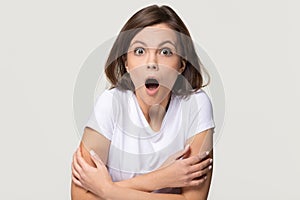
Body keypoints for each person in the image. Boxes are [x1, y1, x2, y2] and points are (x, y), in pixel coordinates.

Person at [71, 4, 215, 200]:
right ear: (126, 63)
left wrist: (107, 190)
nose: (151, 62)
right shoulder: (111, 103)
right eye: (139, 51)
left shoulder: (196, 105)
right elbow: (79, 196)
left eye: (165, 52)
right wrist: (161, 178)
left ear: (181, 64)